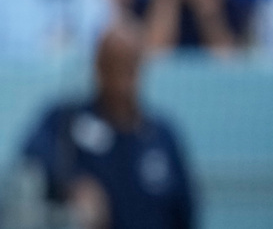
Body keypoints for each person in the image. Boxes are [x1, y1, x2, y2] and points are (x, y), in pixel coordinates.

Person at [18, 20, 196, 229]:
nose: (121, 79)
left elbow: (185, 209)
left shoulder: (161, 135)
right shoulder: (69, 120)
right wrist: (73, 184)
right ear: (98, 67)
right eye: (112, 66)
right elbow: (33, 152)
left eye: (128, 66)